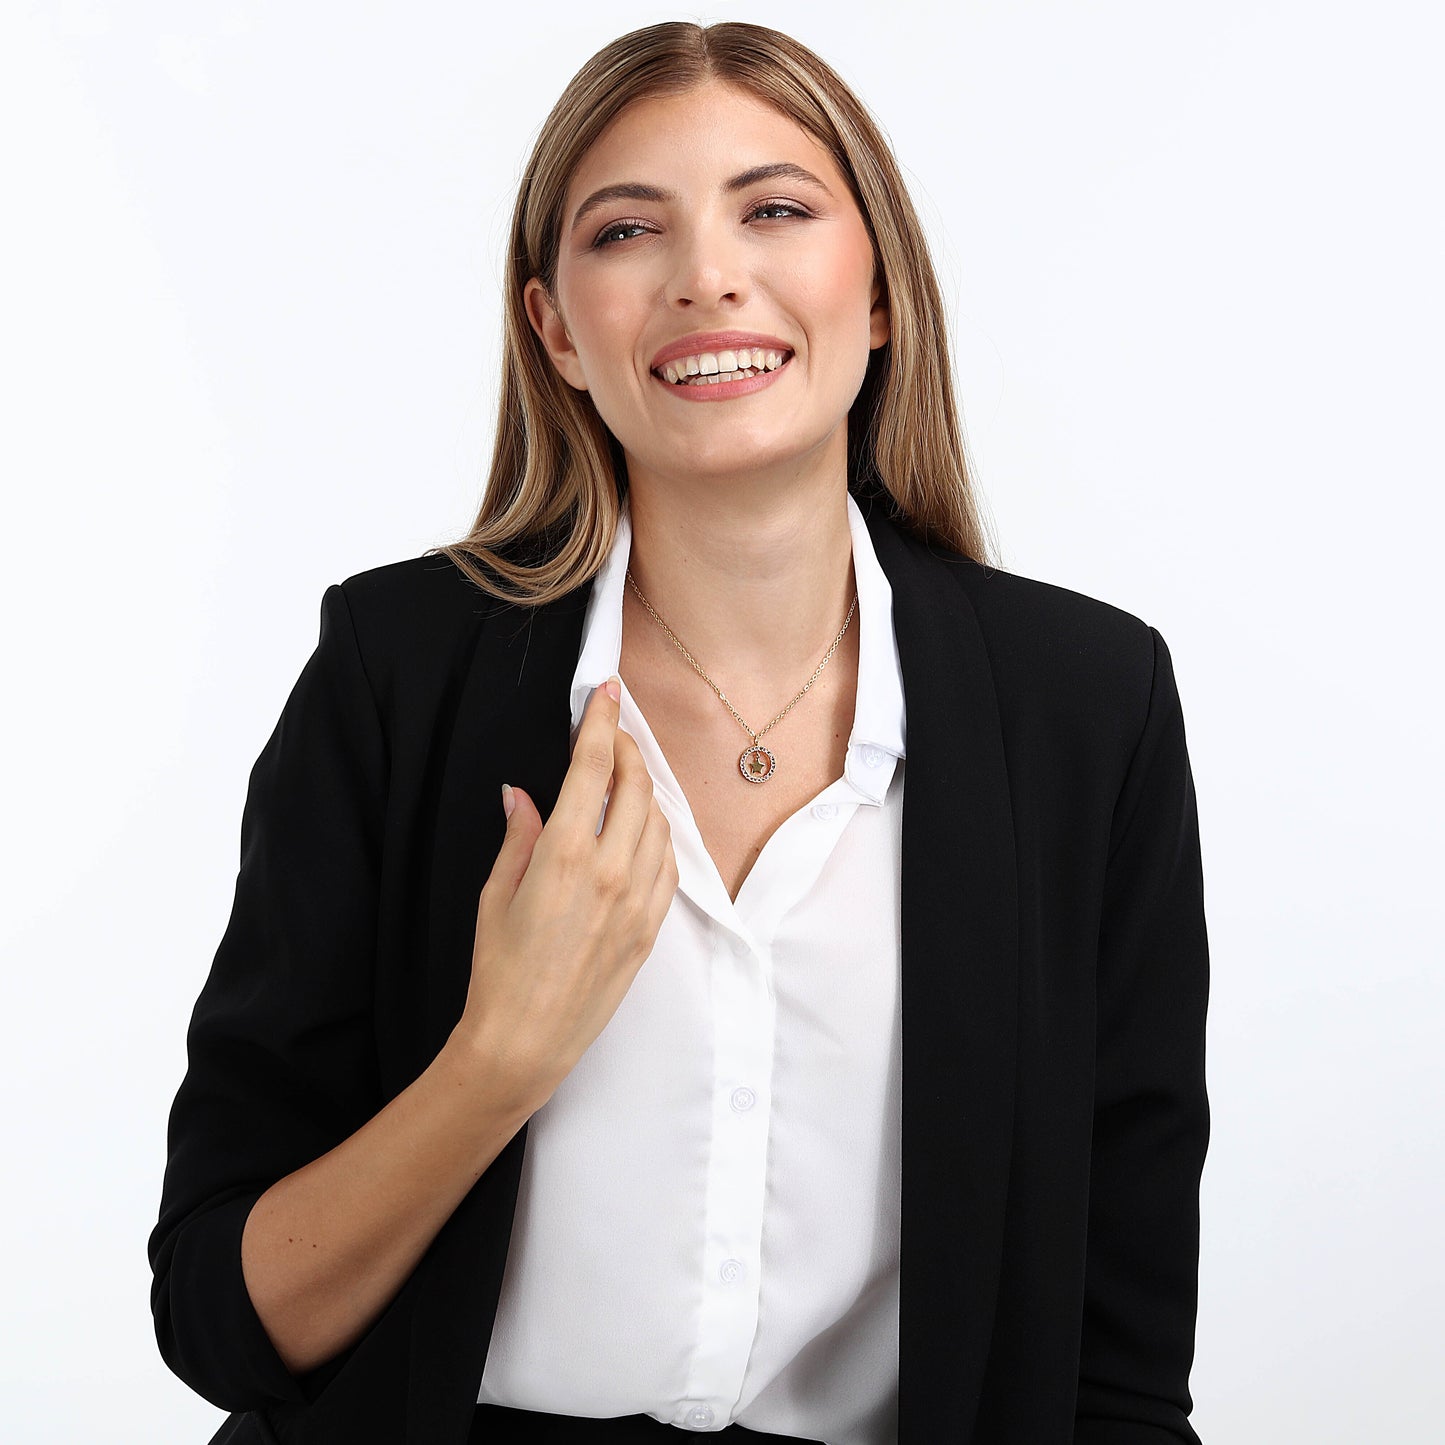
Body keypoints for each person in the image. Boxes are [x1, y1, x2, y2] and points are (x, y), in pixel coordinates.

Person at [149, 19, 1210, 1445]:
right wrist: (499, 1056)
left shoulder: (1085, 704)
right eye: (627, 230)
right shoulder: (394, 672)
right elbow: (221, 1317)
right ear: (557, 331)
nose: (706, 274)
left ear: (880, 291)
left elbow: (1118, 1370)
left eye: (774, 210)